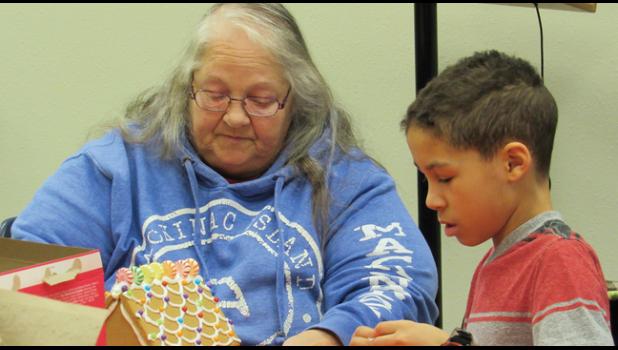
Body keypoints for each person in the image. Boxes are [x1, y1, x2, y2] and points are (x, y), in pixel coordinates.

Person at [11, 3, 439, 346]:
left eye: (261, 99)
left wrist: (328, 336)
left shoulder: (344, 179)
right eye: (214, 95)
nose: (234, 117)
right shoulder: (113, 168)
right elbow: (26, 278)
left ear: (297, 100)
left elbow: (399, 285)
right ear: (186, 87)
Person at [350, 50, 614, 346]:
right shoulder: (493, 263)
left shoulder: (560, 261)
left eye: (445, 178)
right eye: (427, 180)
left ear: (513, 163)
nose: (431, 200)